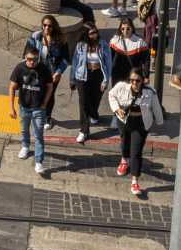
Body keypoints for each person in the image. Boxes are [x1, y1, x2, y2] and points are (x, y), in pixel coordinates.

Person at [109, 67, 159, 197]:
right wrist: (116, 109)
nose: (134, 83)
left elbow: (156, 107)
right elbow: (111, 95)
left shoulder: (150, 92)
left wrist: (158, 121)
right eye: (132, 80)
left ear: (142, 81)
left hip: (141, 124)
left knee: (136, 152)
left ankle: (135, 181)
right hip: (124, 120)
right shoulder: (121, 87)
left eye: (137, 80)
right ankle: (124, 160)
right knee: (125, 142)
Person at [8, 44, 54, 177]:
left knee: (39, 135)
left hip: (38, 109)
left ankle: (39, 161)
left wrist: (45, 103)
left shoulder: (44, 69)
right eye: (29, 59)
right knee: (24, 129)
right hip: (24, 107)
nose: (31, 62)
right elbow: (11, 87)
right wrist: (11, 108)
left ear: (38, 59)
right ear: (25, 57)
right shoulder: (19, 68)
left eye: (34, 59)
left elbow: (50, 86)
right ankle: (25, 146)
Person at [67, 23, 107, 142]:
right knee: (83, 101)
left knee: (95, 98)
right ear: (86, 35)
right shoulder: (80, 45)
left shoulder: (103, 44)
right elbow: (75, 63)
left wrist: (106, 79)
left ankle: (94, 114)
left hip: (98, 74)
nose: (95, 35)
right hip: (82, 74)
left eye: (96, 32)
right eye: (91, 33)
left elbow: (108, 63)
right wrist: (72, 78)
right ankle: (84, 130)